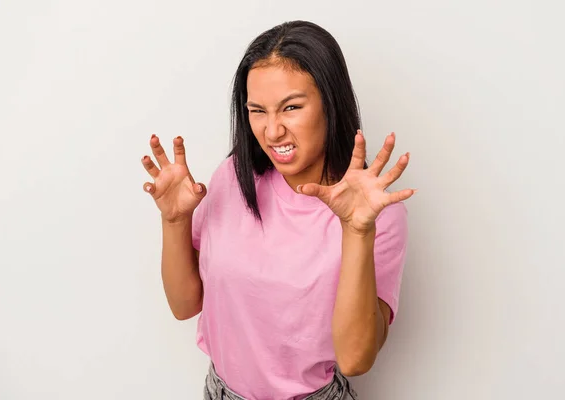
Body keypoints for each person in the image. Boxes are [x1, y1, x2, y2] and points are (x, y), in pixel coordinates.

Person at [141, 20, 415, 400]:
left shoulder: (377, 213)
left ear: (330, 103)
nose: (272, 131)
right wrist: (174, 221)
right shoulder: (235, 177)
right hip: (219, 391)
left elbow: (355, 360)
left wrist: (356, 230)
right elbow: (185, 305)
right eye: (257, 111)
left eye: (291, 107)